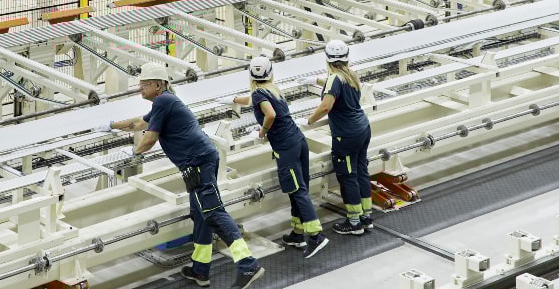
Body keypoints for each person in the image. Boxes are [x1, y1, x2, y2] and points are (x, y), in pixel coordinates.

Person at [95, 62, 265, 289]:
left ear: (157, 84)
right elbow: (139, 123)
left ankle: (248, 265)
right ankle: (200, 270)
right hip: (195, 165)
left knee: (213, 214)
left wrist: (132, 154)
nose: (140, 89)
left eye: (143, 85)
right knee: (202, 215)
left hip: (199, 163)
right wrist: (111, 125)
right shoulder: (163, 103)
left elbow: (150, 138)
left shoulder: (164, 101)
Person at [216, 56, 329, 258]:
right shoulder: (271, 89)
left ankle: (316, 236)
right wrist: (233, 100)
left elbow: (269, 114)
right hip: (298, 141)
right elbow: (253, 100)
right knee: (298, 189)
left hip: (286, 147)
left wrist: (262, 132)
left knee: (298, 190)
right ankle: (297, 233)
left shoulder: (260, 93)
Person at [298, 39, 373, 235]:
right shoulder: (351, 75)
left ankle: (354, 223)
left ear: (327, 60)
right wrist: (316, 81)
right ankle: (366, 216)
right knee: (360, 171)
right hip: (363, 129)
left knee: (348, 176)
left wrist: (309, 121)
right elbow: (338, 84)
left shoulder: (335, 79)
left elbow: (325, 106)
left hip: (347, 135)